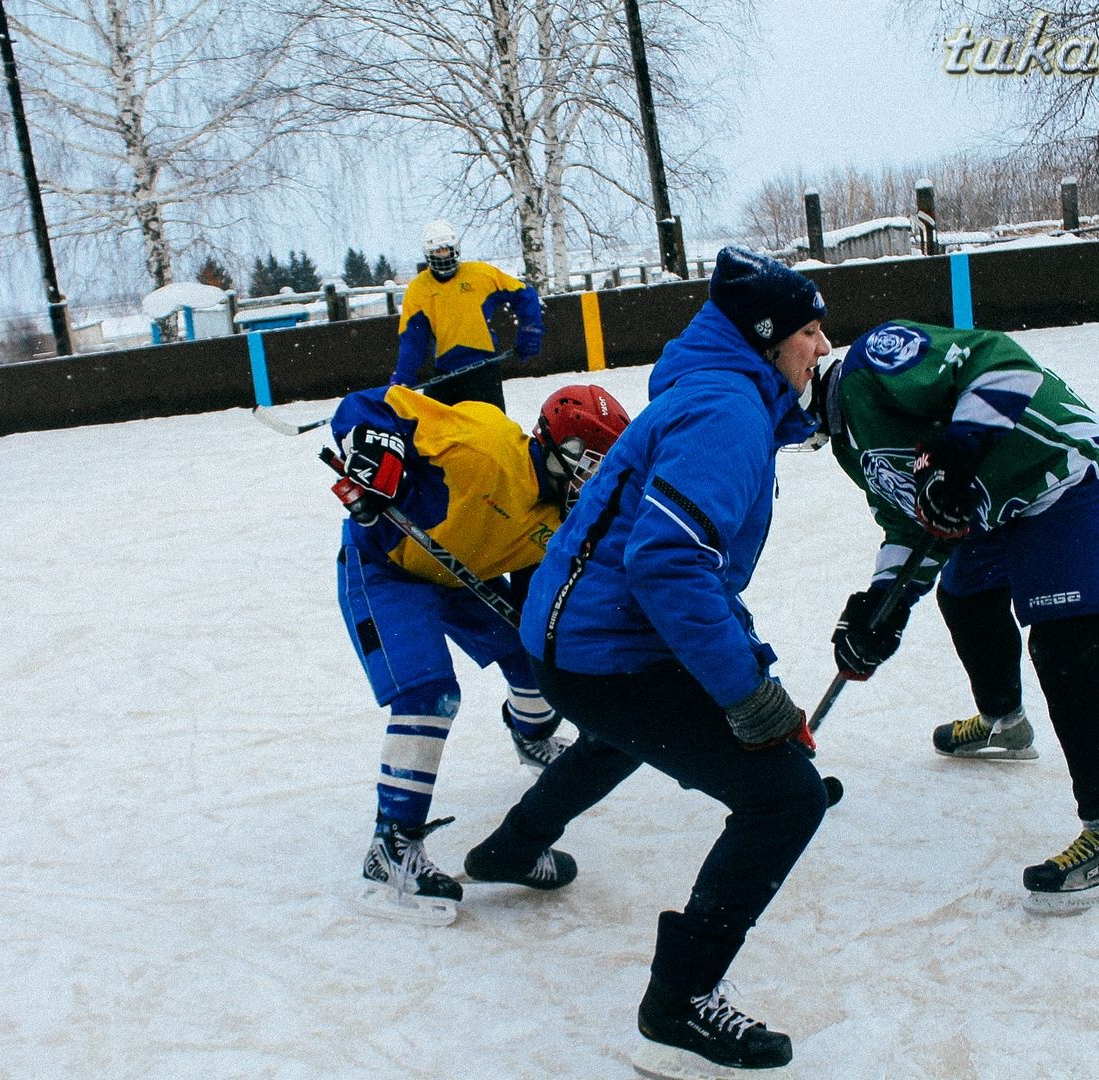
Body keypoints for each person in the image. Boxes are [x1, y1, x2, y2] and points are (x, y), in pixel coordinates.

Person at [461, 247, 831, 1078]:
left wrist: (754, 674)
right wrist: (749, 695)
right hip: (603, 652)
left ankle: (512, 850)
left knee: (617, 735)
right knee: (783, 799)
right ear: (768, 338)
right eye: (809, 330)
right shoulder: (727, 414)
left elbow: (685, 565)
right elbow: (668, 564)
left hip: (577, 643)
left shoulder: (716, 395)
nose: (820, 346)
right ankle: (680, 1002)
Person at [809, 319, 1099, 915]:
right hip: (994, 508)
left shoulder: (874, 363)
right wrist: (880, 606)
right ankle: (1004, 723)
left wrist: (960, 451)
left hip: (1064, 479)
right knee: (963, 596)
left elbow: (1002, 362)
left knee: (1067, 646)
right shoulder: (846, 442)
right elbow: (910, 522)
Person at [329, 378, 631, 923]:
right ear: (561, 451)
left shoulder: (563, 516)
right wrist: (377, 449)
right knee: (429, 695)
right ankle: (390, 849)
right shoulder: (483, 442)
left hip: (457, 577)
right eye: (593, 463)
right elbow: (370, 402)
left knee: (537, 653)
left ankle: (533, 736)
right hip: (388, 567)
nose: (599, 480)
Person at [392, 219, 543, 411]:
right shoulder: (418, 289)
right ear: (428, 254)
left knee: (490, 430)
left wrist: (530, 331)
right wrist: (404, 376)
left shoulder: (480, 275)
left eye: (446, 249)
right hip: (445, 372)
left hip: (484, 370)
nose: (443, 255)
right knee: (435, 431)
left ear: (455, 249)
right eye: (437, 251)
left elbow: (524, 294)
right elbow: (413, 339)